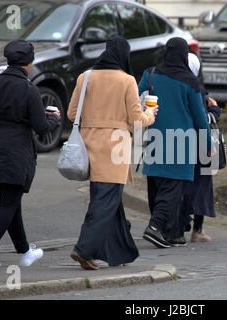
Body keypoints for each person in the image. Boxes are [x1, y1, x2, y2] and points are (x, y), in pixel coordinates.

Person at [0, 40, 61, 267]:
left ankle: (25, 252)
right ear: (28, 63)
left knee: (11, 202)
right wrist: (54, 117)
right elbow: (42, 128)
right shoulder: (30, 90)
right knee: (9, 203)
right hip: (16, 154)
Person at [68, 36, 157, 270]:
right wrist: (152, 114)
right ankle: (83, 249)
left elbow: (71, 114)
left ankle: (120, 253)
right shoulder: (127, 80)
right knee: (105, 201)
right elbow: (137, 120)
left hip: (89, 145)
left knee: (110, 201)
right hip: (115, 148)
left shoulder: (85, 77)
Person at [138, 37, 213, 248]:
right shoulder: (190, 83)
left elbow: (134, 97)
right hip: (181, 143)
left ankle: (171, 234)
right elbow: (199, 118)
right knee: (172, 191)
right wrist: (208, 144)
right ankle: (154, 227)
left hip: (154, 138)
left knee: (157, 186)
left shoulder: (150, 74)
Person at [178, 53, 221, 242]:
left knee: (182, 185)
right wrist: (215, 111)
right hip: (199, 143)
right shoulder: (197, 88)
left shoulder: (173, 84)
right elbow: (202, 119)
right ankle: (198, 229)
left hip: (177, 141)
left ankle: (181, 221)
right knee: (203, 185)